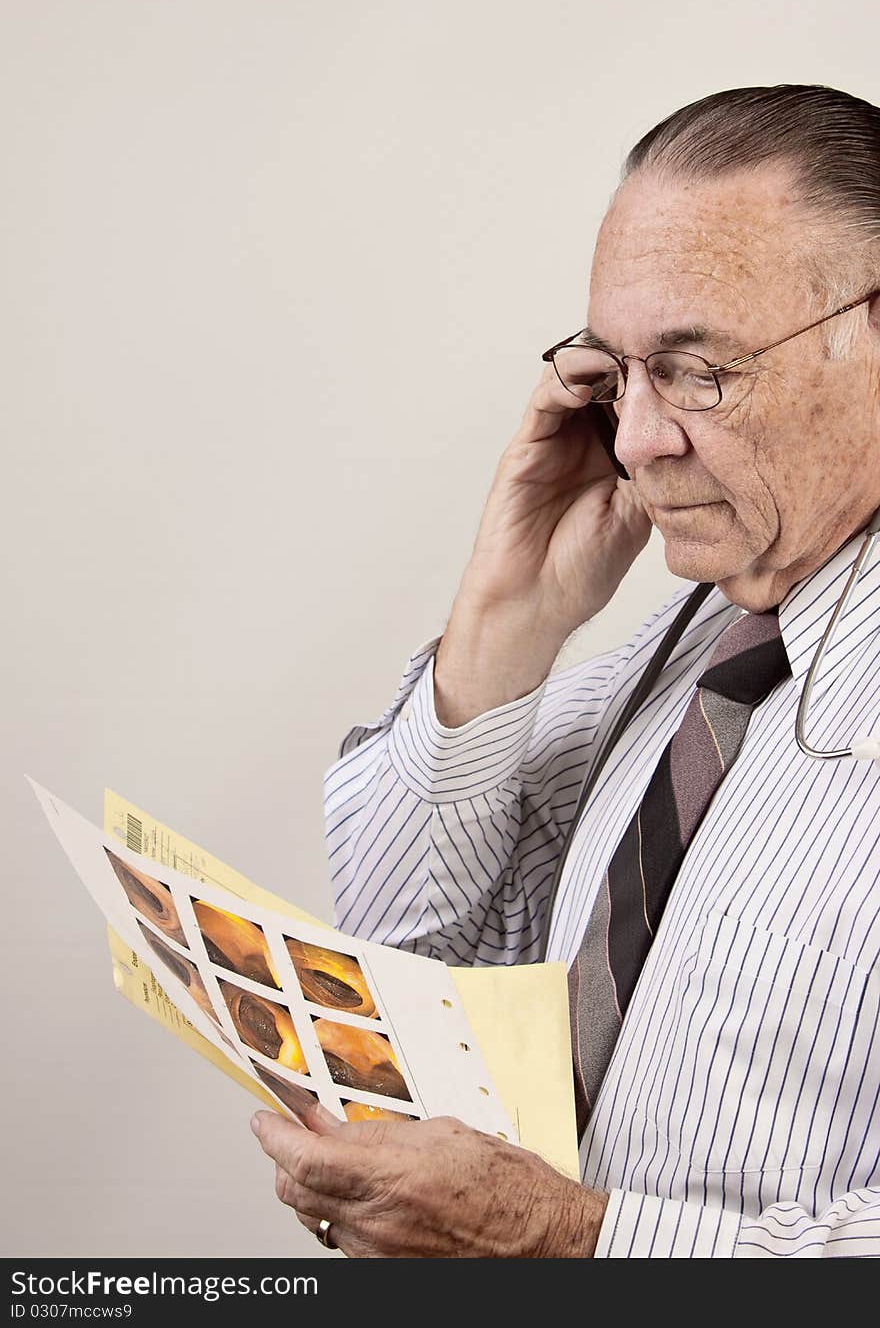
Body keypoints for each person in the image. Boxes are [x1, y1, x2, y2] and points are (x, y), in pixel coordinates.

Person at [250, 84, 880, 1257]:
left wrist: (567, 1242)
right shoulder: (695, 648)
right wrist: (503, 624)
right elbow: (419, 963)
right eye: (614, 373)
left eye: (698, 370)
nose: (635, 438)